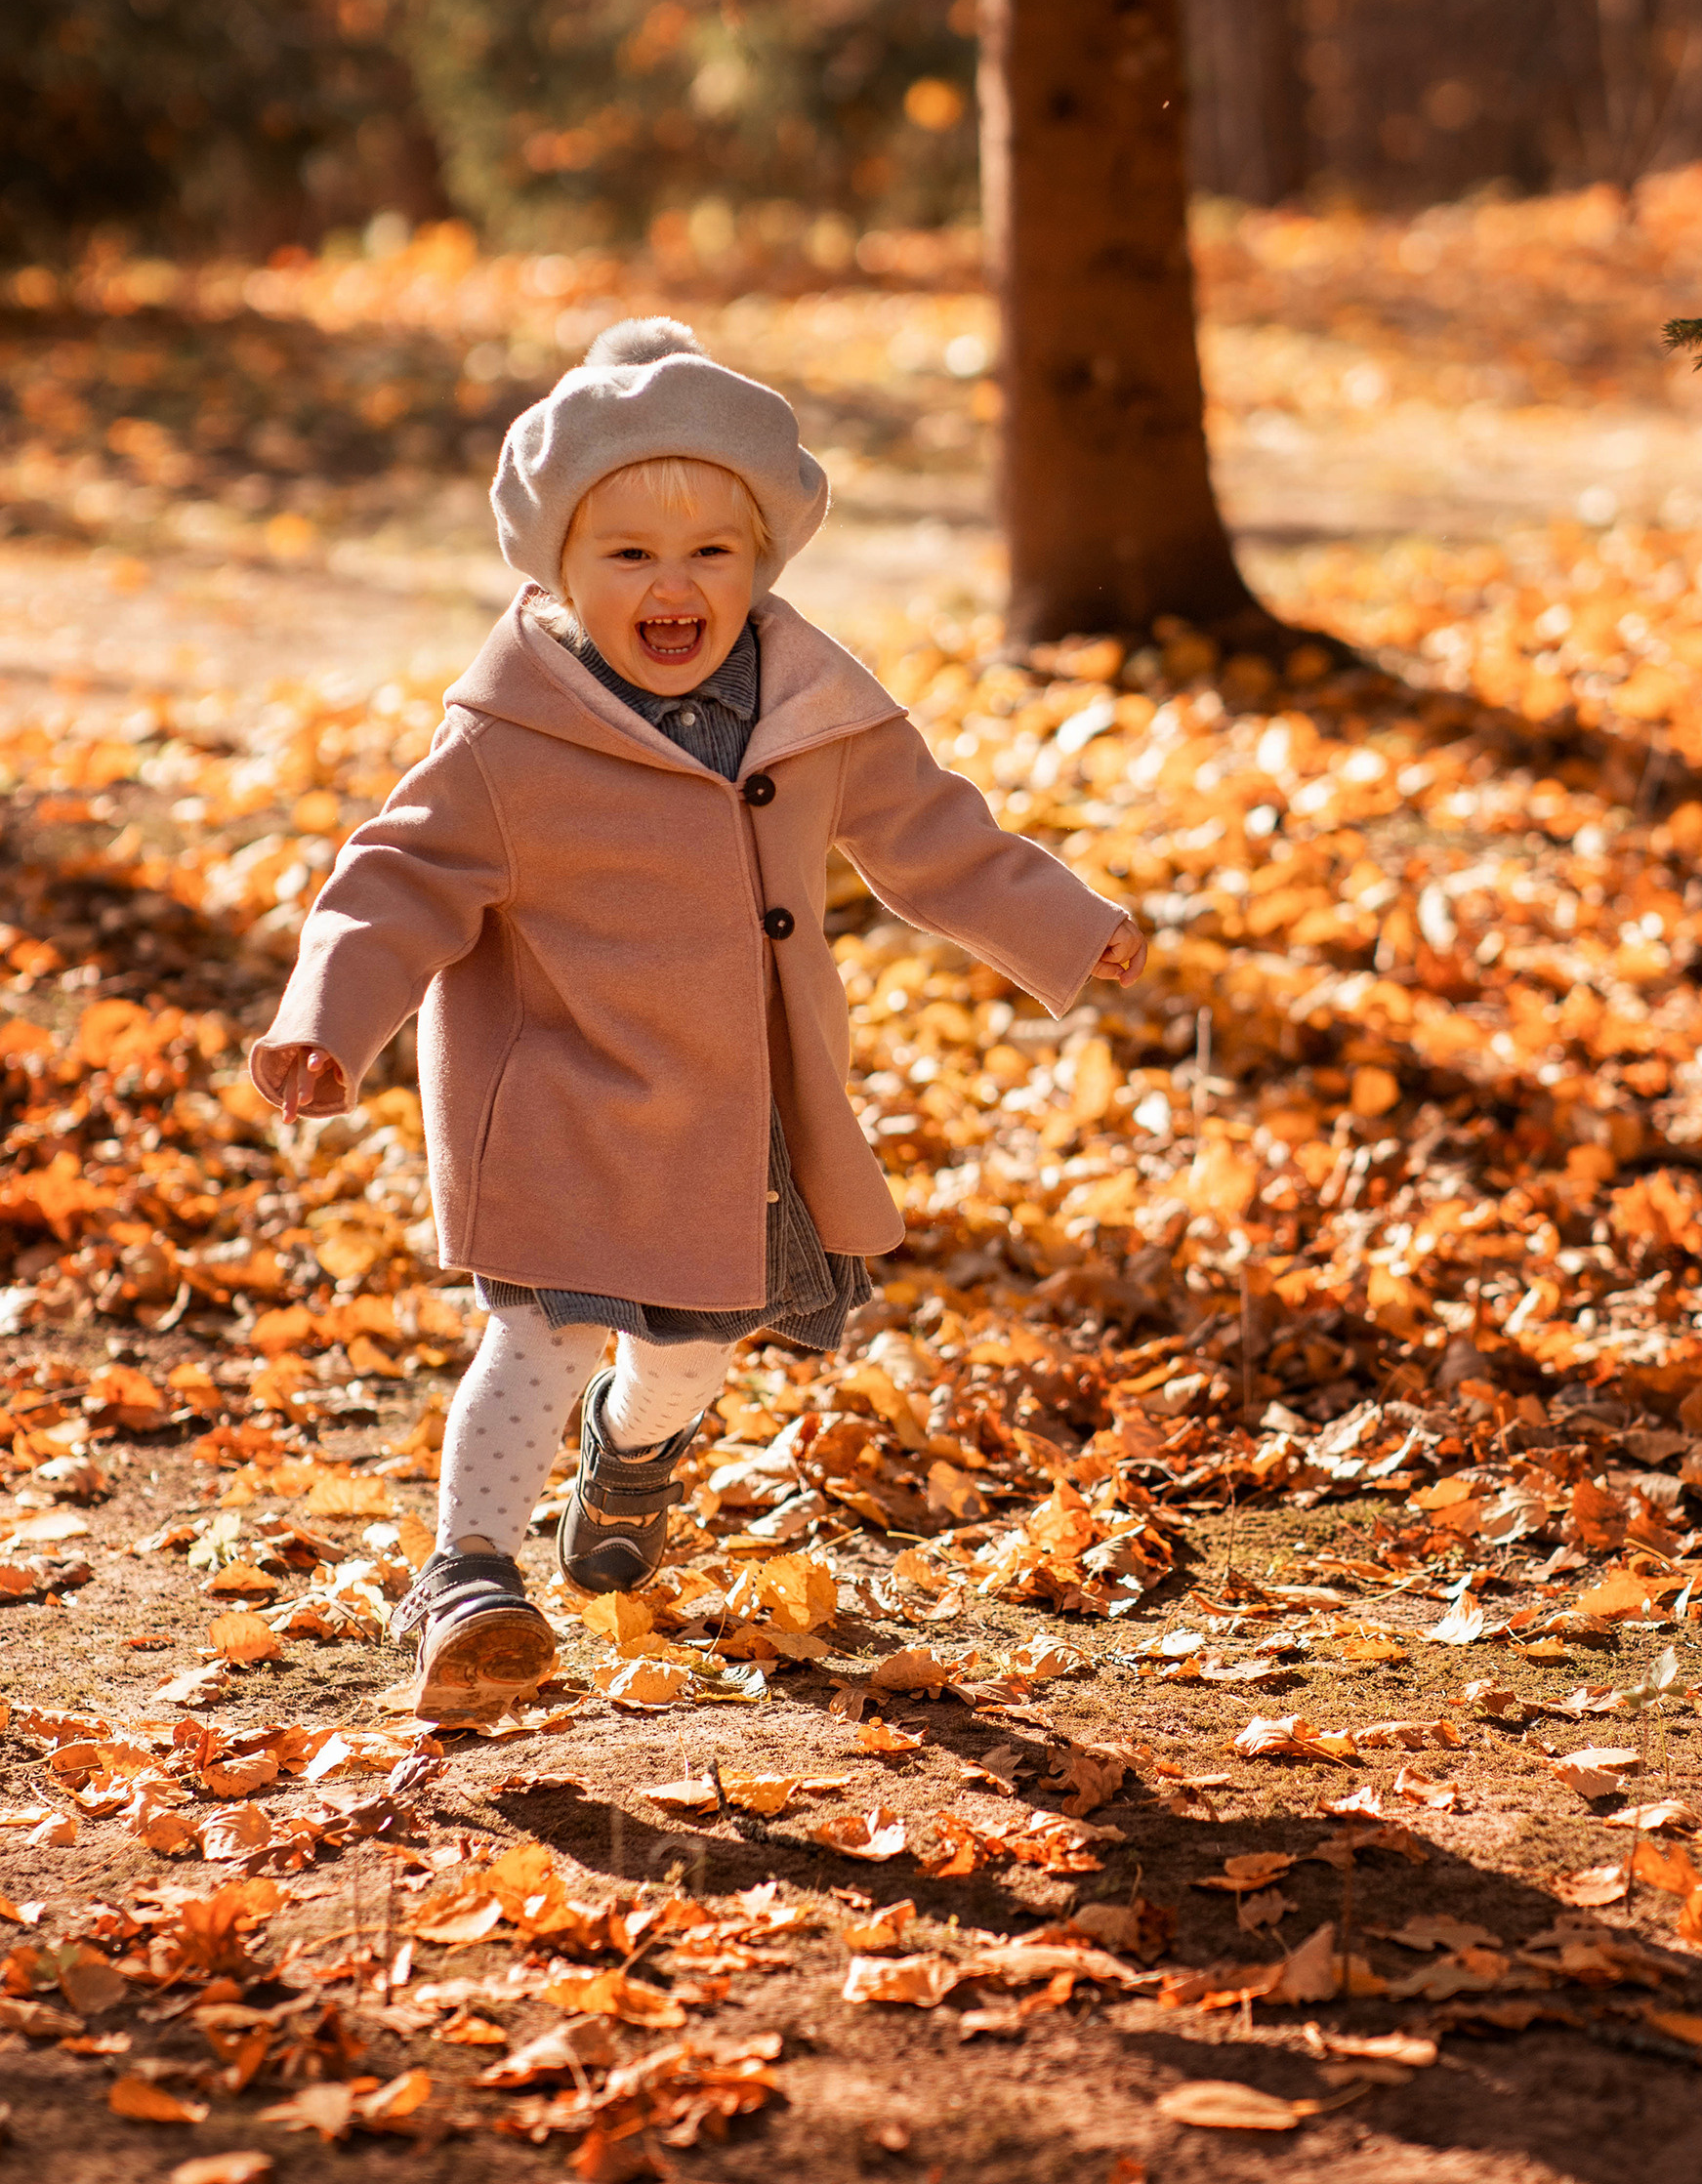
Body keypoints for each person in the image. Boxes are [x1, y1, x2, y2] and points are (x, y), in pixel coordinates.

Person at [251, 317, 1144, 1722]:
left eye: (710, 555)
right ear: (560, 571)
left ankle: (632, 1452)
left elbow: (936, 839)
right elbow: (392, 882)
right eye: (629, 558)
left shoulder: (813, 709)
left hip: (734, 1118)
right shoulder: (510, 737)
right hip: (558, 1099)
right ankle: (467, 1577)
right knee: (535, 1332)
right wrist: (328, 1019)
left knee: (690, 1352)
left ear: (761, 564)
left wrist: (1067, 926)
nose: (674, 588)